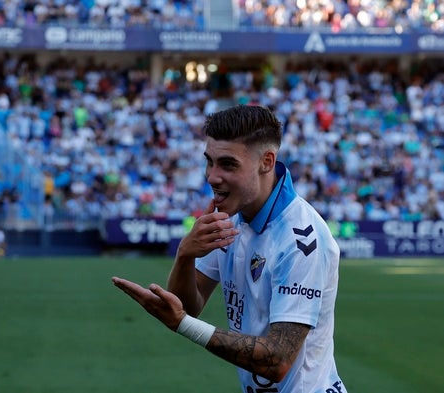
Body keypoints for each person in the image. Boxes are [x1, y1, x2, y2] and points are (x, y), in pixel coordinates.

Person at [112, 105, 347, 393]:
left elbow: (278, 360)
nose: (211, 176)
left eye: (228, 164)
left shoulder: (301, 240)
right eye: (209, 162)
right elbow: (187, 304)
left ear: (266, 162)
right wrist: (185, 254)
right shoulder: (230, 217)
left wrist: (183, 325)